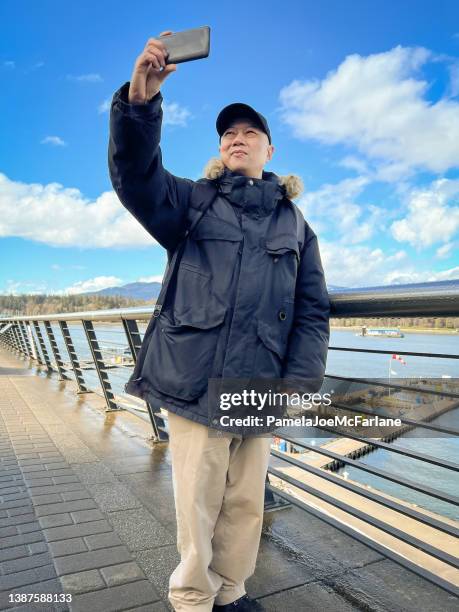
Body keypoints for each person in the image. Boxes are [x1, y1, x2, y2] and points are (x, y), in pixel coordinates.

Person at [108, 32, 330, 612]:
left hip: (259, 386)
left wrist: (298, 389)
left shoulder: (297, 227)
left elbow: (312, 312)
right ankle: (192, 598)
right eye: (228, 133)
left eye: (249, 132)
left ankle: (231, 591)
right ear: (221, 149)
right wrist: (139, 104)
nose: (237, 138)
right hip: (197, 378)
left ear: (270, 151)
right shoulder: (193, 201)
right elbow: (136, 178)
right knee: (199, 500)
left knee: (245, 502)